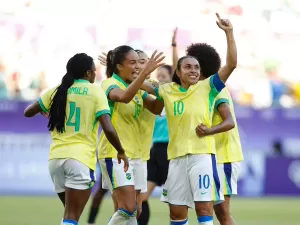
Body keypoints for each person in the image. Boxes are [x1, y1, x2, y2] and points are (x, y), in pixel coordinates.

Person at [141, 13, 237, 225]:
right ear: (178, 71)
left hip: (202, 157)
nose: (193, 70)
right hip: (175, 159)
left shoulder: (208, 87)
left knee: (204, 208)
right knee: (176, 213)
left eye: (196, 67)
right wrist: (143, 70)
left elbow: (231, 65)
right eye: (188, 67)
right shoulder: (167, 90)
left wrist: (229, 33)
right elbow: (142, 84)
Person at [23, 53, 129, 225]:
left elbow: (28, 112)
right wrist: (121, 151)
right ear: (88, 73)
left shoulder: (57, 90)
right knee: (71, 216)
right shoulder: (95, 92)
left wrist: (50, 113)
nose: (96, 74)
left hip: (55, 159)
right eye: (94, 71)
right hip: (79, 159)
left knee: (70, 215)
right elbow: (108, 128)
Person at [97, 45, 165, 225]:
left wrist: (160, 92)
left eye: (140, 63)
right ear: (119, 66)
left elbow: (157, 108)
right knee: (127, 208)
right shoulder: (110, 84)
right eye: (133, 62)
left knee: (135, 210)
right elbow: (124, 97)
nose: (137, 67)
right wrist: (145, 76)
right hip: (116, 154)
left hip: (138, 155)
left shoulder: (139, 88)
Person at [186, 16, 243, 225]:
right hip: (210, 156)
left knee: (222, 213)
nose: (189, 67)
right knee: (212, 211)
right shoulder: (199, 89)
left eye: (193, 63)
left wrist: (208, 131)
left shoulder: (215, 90)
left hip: (224, 156)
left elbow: (229, 122)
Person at [138, 64, 173, 225]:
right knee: (141, 197)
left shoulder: (176, 98)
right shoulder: (153, 100)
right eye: (158, 76)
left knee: (174, 198)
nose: (159, 79)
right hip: (154, 151)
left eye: (164, 76)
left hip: (171, 151)